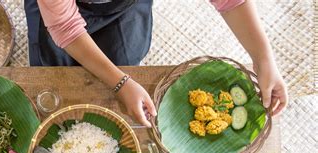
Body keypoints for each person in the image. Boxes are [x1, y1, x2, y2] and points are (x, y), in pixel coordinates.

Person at [24, 0, 288, 127]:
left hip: (123, 7)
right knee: (54, 72)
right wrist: (122, 84)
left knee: (125, 60)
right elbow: (66, 26)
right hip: (58, 13)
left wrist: (263, 59)